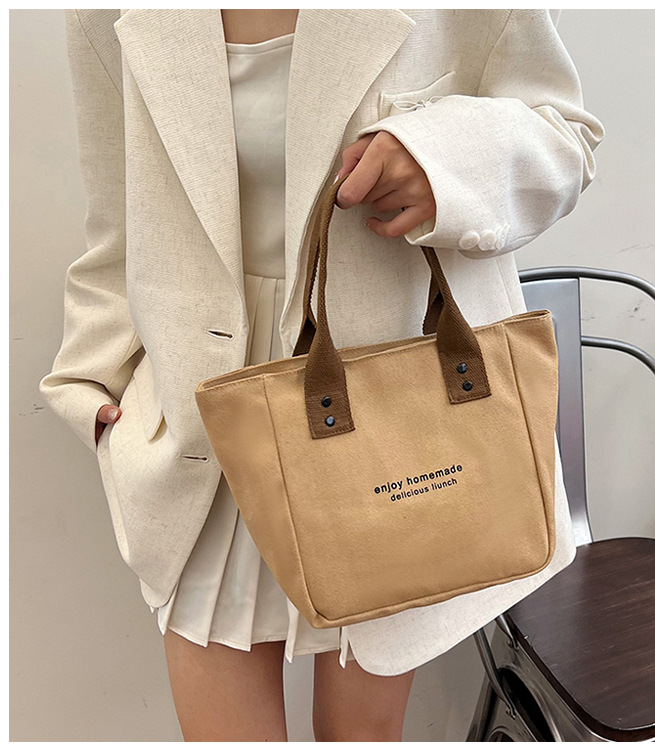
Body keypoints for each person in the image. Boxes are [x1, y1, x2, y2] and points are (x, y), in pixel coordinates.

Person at [40, 8, 604, 741]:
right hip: (202, 419)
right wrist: (92, 376)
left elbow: (566, 137)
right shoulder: (104, 12)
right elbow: (119, 220)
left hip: (392, 415)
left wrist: (441, 158)